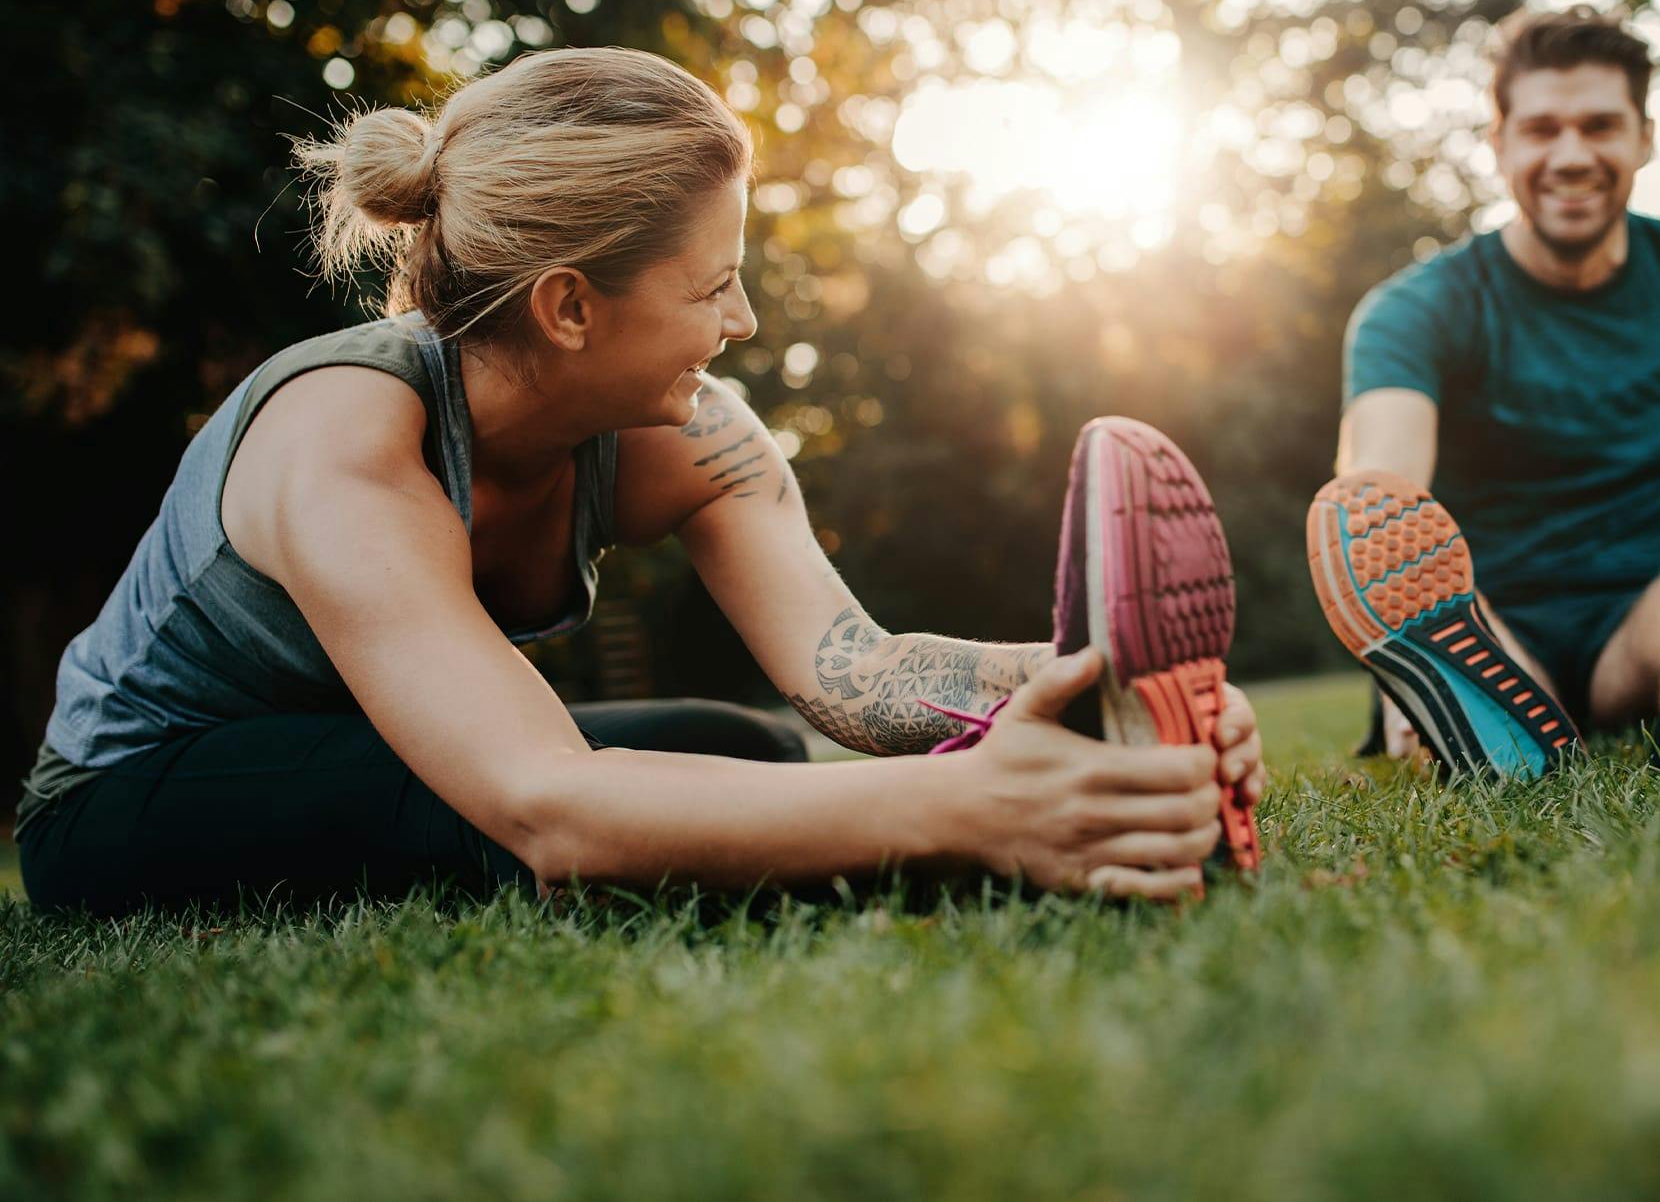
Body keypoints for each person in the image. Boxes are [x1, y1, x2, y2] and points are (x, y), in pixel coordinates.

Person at [16, 46, 1266, 915]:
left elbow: (861, 674)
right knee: (508, 821)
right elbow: (550, 802)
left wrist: (1090, 688)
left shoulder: (688, 432)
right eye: (710, 283)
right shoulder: (348, 435)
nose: (746, 315)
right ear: (569, 305)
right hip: (139, 793)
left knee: (748, 751)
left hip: (376, 752)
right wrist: (972, 811)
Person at [1307, 9, 1660, 777]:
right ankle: (1447, 698)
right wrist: (1388, 656)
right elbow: (1380, 497)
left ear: (1645, 137)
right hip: (1494, 618)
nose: (1572, 154)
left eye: (1600, 126)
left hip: (1653, 610)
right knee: (1463, 632)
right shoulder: (1416, 309)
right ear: (1500, 144)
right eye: (1543, 129)